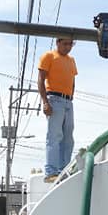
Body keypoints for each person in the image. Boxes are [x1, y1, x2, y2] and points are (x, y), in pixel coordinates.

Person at [38, 38, 78, 182]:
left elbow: (72, 81)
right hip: (54, 98)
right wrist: (45, 102)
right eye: (65, 44)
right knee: (54, 136)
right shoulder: (49, 56)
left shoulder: (71, 60)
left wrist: (71, 96)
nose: (68, 47)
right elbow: (41, 80)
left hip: (68, 101)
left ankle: (63, 170)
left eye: (71, 44)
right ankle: (51, 171)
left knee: (68, 137)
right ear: (58, 42)